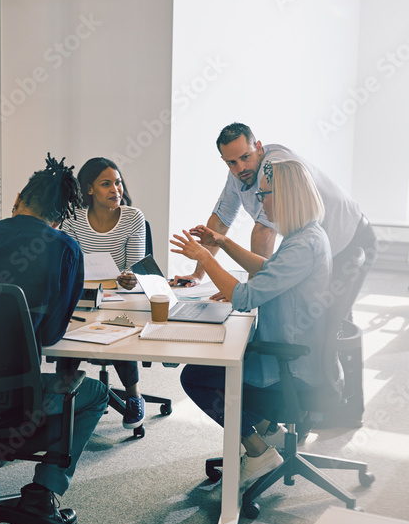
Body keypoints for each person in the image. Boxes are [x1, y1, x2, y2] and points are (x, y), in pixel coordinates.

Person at [0, 154, 108, 524]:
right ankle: (43, 492)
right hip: (15, 398)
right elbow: (52, 335)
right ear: (60, 217)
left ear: (19, 196)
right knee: (95, 394)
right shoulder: (64, 247)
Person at [169, 158, 339, 486]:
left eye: (264, 195)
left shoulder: (303, 245)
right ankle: (265, 428)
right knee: (217, 362)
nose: (260, 202)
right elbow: (268, 270)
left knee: (196, 376)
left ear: (285, 196)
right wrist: (222, 242)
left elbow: (245, 296)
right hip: (297, 353)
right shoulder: (307, 236)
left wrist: (204, 257)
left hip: (290, 366)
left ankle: (258, 450)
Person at [172, 123, 376, 325]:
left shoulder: (275, 170)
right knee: (325, 323)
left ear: (259, 147)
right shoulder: (240, 173)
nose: (240, 168)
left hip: (351, 237)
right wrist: (199, 273)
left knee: (333, 322)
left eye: (245, 157)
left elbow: (264, 230)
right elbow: (221, 220)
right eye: (231, 162)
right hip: (322, 246)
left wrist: (249, 291)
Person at [58, 157, 148, 428]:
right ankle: (62, 397)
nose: (115, 190)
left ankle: (133, 395)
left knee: (121, 326)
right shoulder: (73, 218)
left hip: (121, 296)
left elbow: (136, 269)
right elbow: (66, 262)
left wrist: (131, 279)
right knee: (69, 330)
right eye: (106, 184)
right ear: (89, 189)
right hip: (82, 293)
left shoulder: (133, 217)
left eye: (118, 182)